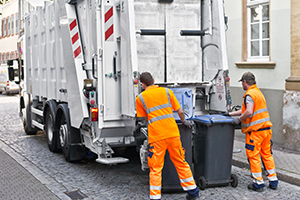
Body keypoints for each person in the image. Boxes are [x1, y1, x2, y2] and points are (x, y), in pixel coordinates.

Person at [135, 72, 200, 200]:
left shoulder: (140, 98)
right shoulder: (166, 91)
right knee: (181, 162)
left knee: (156, 168)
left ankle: (155, 197)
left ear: (142, 84)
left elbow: (142, 119)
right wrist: (184, 121)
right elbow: (180, 111)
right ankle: (193, 192)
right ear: (153, 80)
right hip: (172, 133)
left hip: (157, 137)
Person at [228, 72, 278, 192]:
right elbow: (246, 109)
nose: (242, 85)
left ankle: (258, 183)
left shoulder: (249, 94)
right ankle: (273, 181)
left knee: (253, 156)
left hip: (255, 132)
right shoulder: (258, 92)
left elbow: (249, 112)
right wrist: (230, 114)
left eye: (242, 83)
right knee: (267, 155)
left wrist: (238, 120)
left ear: (245, 82)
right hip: (266, 130)